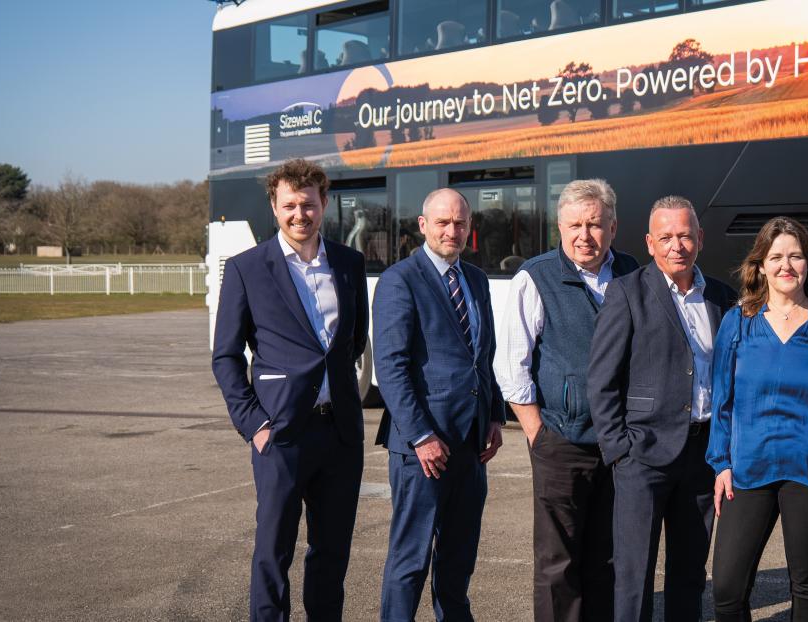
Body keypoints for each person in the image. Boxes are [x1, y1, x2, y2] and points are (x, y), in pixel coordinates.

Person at [210, 158, 369, 621]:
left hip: (340, 433)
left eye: (309, 204)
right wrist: (254, 423)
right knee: (272, 551)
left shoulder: (349, 262)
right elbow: (225, 356)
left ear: (324, 204)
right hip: (279, 433)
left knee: (332, 553)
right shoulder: (246, 269)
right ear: (275, 207)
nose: (300, 214)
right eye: (290, 206)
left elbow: (353, 342)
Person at [494, 179, 639, 622]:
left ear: (613, 227)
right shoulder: (535, 278)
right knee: (558, 561)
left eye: (595, 224)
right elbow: (511, 364)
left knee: (610, 556)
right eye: (575, 224)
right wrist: (538, 432)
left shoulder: (633, 273)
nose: (585, 235)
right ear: (560, 226)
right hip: (562, 440)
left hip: (620, 443)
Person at [587, 196, 737, 622]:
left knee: (689, 572)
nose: (677, 245)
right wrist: (619, 451)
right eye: (667, 237)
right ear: (650, 243)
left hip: (702, 456)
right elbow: (601, 380)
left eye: (685, 235)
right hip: (642, 457)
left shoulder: (721, 298)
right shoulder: (627, 292)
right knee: (633, 573)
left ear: (700, 239)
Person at [706, 217, 808, 622]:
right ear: (760, 266)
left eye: (796, 256)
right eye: (776, 257)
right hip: (748, 468)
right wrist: (720, 463)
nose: (786, 265)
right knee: (727, 587)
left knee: (806, 582)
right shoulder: (738, 323)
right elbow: (722, 401)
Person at [373, 188, 507, 622]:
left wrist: (492, 417)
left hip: (470, 444)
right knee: (410, 559)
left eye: (460, 223)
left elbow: (481, 356)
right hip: (422, 447)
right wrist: (420, 435)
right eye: (443, 222)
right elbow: (391, 366)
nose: (452, 230)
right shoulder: (401, 279)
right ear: (423, 225)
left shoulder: (476, 279)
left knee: (458, 556)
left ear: (470, 228)